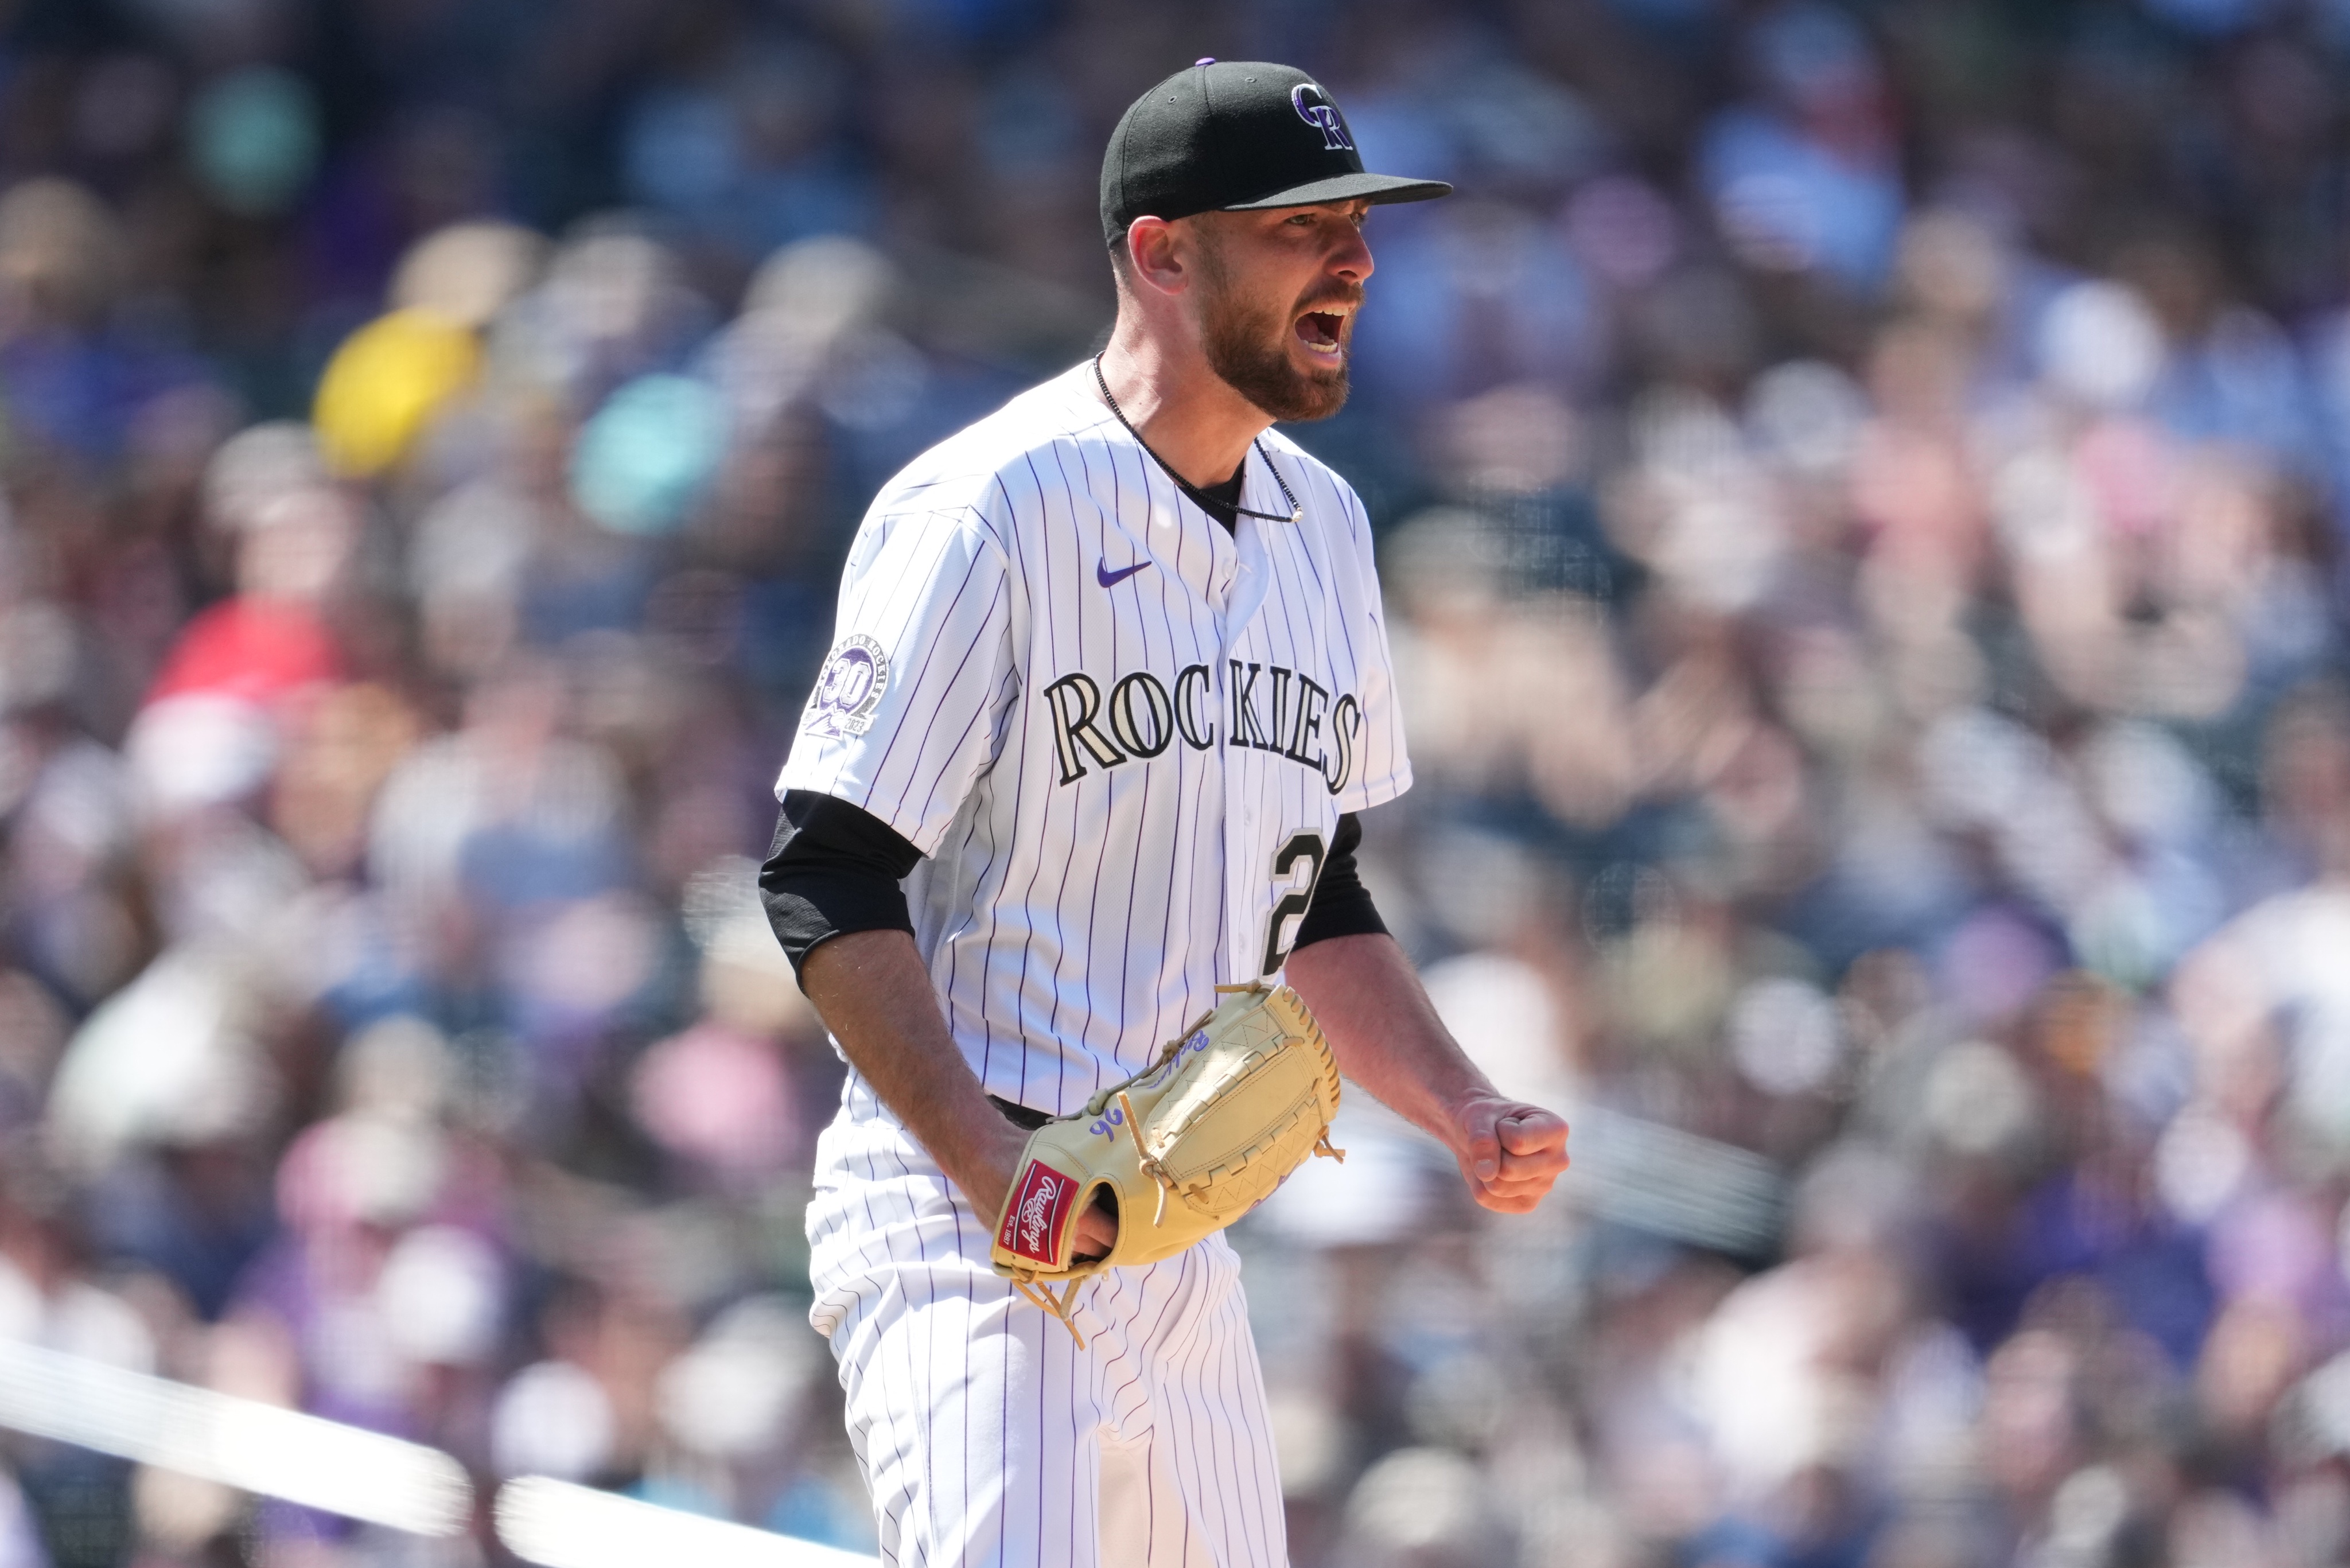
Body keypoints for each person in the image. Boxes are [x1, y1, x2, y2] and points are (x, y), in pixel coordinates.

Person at [760, 59, 1571, 1567]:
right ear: (1162, 252)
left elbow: (1315, 894)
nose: (1354, 261)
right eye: (1298, 227)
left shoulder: (1323, 526)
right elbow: (827, 878)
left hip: (1177, 1230)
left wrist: (1459, 1100)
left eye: (1355, 226)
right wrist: (993, 1165)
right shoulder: (987, 508)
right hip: (964, 1221)